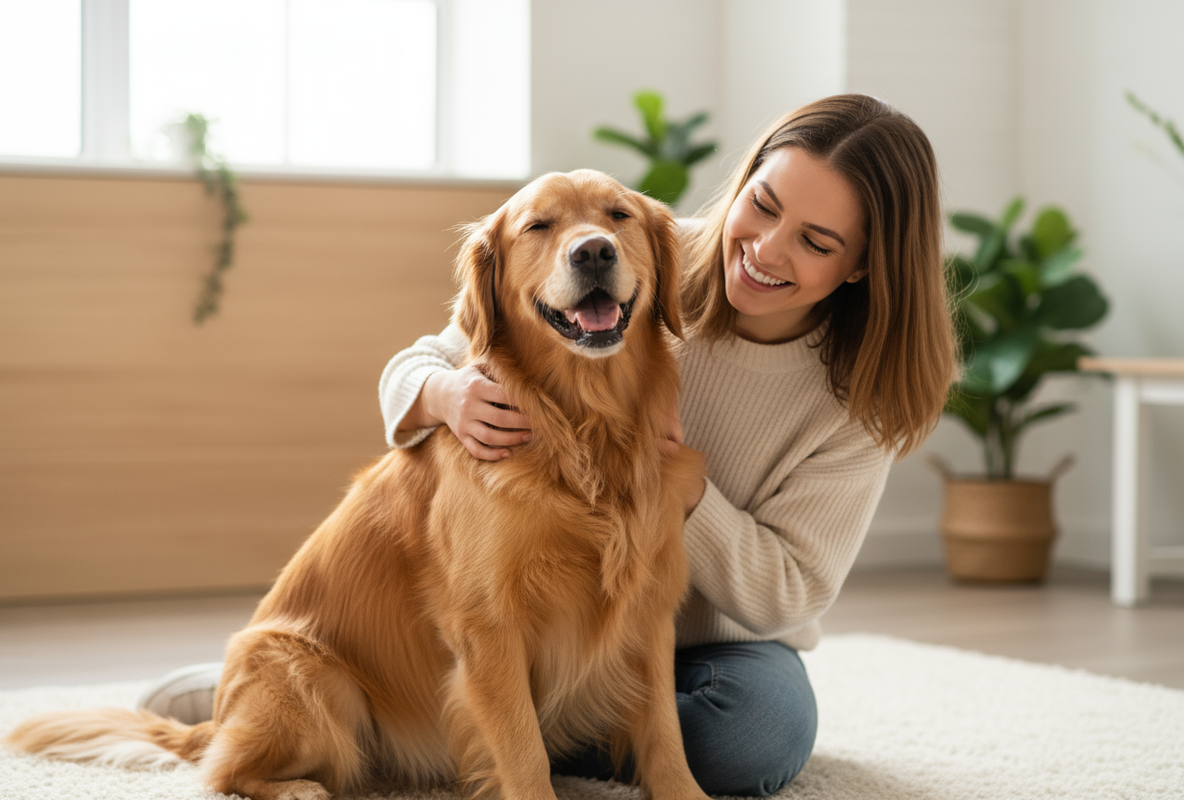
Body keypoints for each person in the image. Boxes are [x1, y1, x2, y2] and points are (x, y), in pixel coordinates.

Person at [140, 94, 956, 796]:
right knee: (486, 636)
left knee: (761, 733)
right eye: (764, 205)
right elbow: (431, 353)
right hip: (545, 632)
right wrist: (443, 392)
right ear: (742, 185)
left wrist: (683, 491)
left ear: (861, 267)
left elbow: (792, 593)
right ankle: (393, 702)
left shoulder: (850, 395)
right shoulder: (661, 249)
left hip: (704, 644)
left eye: (817, 243)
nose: (768, 250)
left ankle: (463, 714)